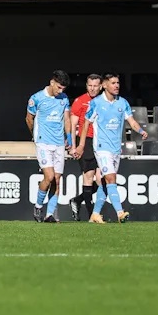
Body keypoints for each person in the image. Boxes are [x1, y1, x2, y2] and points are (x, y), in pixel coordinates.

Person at [75, 73, 147, 224]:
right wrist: (81, 145)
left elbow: (132, 122)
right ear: (105, 85)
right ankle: (120, 213)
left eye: (118, 83)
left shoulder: (122, 102)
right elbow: (86, 123)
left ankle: (95, 214)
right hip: (101, 148)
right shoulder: (96, 103)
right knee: (111, 178)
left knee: (106, 183)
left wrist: (141, 131)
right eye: (113, 83)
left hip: (115, 149)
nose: (117, 86)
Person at [26, 70, 71, 224]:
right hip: (43, 142)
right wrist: (34, 135)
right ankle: (38, 207)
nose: (60, 91)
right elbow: (29, 119)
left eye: (63, 88)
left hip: (59, 143)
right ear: (52, 82)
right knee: (49, 176)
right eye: (59, 87)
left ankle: (49, 214)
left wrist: (69, 137)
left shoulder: (64, 98)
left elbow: (67, 119)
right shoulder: (37, 98)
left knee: (56, 180)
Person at [69, 74, 102, 221]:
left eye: (95, 86)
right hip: (86, 141)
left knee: (102, 180)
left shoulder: (105, 101)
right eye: (90, 85)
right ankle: (91, 216)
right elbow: (73, 125)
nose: (92, 88)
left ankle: (77, 200)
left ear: (101, 87)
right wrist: (73, 146)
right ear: (86, 86)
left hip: (101, 141)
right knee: (88, 177)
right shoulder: (80, 101)